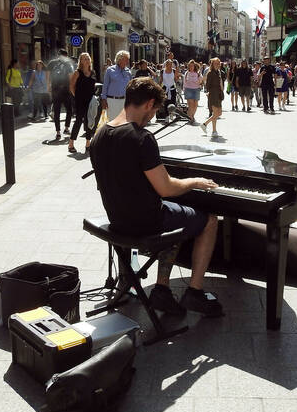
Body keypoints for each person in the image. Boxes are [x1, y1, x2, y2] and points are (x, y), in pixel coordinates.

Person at [89, 77, 222, 317]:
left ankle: (162, 289)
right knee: (209, 220)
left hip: (117, 220)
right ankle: (195, 291)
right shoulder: (141, 138)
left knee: (178, 212)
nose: (152, 117)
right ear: (149, 103)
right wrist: (196, 181)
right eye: (154, 111)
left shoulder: (99, 135)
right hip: (146, 223)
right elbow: (167, 188)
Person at [67, 52, 97, 154]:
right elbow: (71, 86)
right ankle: (71, 143)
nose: (87, 60)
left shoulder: (92, 72)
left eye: (88, 58)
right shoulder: (77, 72)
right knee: (78, 121)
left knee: (89, 121)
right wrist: (77, 97)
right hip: (80, 101)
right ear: (81, 61)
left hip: (90, 100)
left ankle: (88, 143)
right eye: (84, 58)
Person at [48, 49, 76, 140]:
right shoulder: (68, 64)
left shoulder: (51, 63)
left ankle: (58, 132)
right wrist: (73, 90)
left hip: (55, 90)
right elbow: (71, 78)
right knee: (69, 110)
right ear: (66, 56)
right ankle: (67, 128)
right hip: (66, 90)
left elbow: (47, 76)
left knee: (57, 112)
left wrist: (49, 88)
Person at [101, 50, 132, 121]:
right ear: (120, 59)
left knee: (123, 122)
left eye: (128, 59)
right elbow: (105, 86)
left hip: (125, 100)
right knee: (112, 122)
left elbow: (130, 86)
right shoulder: (110, 70)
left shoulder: (128, 71)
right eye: (126, 59)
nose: (128, 62)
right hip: (112, 101)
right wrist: (103, 99)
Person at [201, 57, 224, 138]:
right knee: (215, 113)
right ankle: (214, 131)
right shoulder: (210, 73)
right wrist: (208, 92)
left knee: (219, 112)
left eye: (218, 63)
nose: (218, 65)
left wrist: (221, 91)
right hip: (213, 94)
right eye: (216, 63)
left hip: (218, 93)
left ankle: (205, 124)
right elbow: (207, 85)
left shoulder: (218, 72)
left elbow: (220, 83)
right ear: (212, 64)